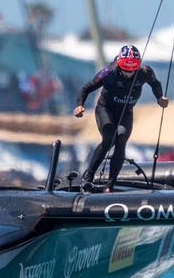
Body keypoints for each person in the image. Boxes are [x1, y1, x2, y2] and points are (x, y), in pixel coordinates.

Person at [72, 44, 168, 192]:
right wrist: (79, 105)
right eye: (125, 70)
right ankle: (88, 177)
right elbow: (86, 88)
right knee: (109, 139)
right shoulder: (109, 72)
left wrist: (160, 98)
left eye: (132, 70)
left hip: (126, 111)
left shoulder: (145, 72)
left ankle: (110, 185)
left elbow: (156, 84)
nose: (128, 74)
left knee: (121, 139)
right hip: (105, 109)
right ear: (119, 64)